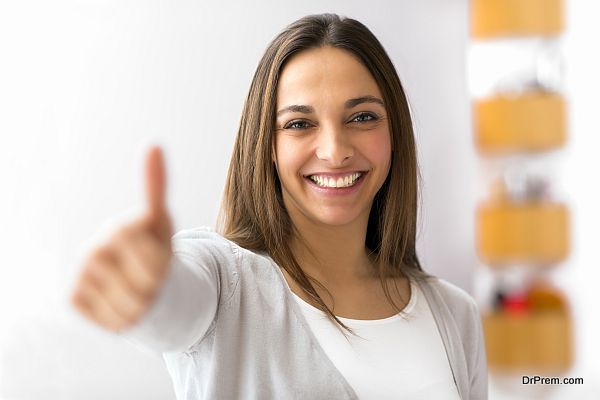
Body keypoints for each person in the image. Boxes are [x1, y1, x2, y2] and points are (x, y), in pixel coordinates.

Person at [70, 13, 488, 400]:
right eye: (299, 124)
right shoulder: (226, 283)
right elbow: (177, 304)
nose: (335, 151)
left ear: (394, 132)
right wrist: (151, 288)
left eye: (362, 117)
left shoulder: (455, 314)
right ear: (266, 146)